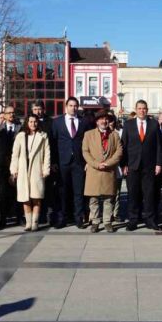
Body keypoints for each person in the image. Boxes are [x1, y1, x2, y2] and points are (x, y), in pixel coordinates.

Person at [120, 99, 162, 231]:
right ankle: (133, 220)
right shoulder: (128, 124)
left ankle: (150, 220)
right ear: (136, 109)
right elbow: (124, 145)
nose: (142, 110)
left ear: (147, 110)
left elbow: (159, 147)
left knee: (149, 194)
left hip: (149, 166)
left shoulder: (154, 124)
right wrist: (124, 164)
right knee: (133, 194)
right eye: (139, 108)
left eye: (144, 108)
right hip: (133, 166)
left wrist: (158, 164)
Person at [51, 97, 91, 228]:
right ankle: (62, 218)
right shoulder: (57, 122)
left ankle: (79, 218)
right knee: (62, 191)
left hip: (79, 162)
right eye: (71, 105)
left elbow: (87, 143)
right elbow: (53, 143)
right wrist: (54, 162)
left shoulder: (84, 122)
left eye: (75, 106)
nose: (73, 108)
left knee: (79, 192)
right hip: (62, 162)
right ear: (66, 107)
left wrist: (87, 161)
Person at [82, 110, 123, 233]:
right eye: (101, 119)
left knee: (108, 199)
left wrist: (108, 163)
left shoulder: (114, 135)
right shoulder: (88, 134)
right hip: (94, 170)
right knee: (93, 199)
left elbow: (119, 152)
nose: (104, 121)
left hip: (109, 170)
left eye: (106, 119)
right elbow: (85, 151)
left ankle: (107, 222)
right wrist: (95, 164)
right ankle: (95, 221)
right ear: (97, 121)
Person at [11, 114, 51, 231]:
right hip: (23, 170)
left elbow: (47, 154)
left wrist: (46, 170)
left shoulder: (43, 136)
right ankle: (28, 222)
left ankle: (35, 222)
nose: (33, 124)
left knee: (36, 197)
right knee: (25, 197)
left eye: (35, 122)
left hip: (37, 170)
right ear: (27, 123)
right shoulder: (20, 136)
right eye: (31, 121)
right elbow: (15, 154)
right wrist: (14, 169)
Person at [0, 105, 22, 226]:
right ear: (5, 115)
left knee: (19, 192)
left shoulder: (20, 128)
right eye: (9, 113)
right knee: (3, 193)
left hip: (18, 164)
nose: (11, 115)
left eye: (13, 113)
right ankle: (3, 218)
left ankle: (19, 217)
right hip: (3, 165)